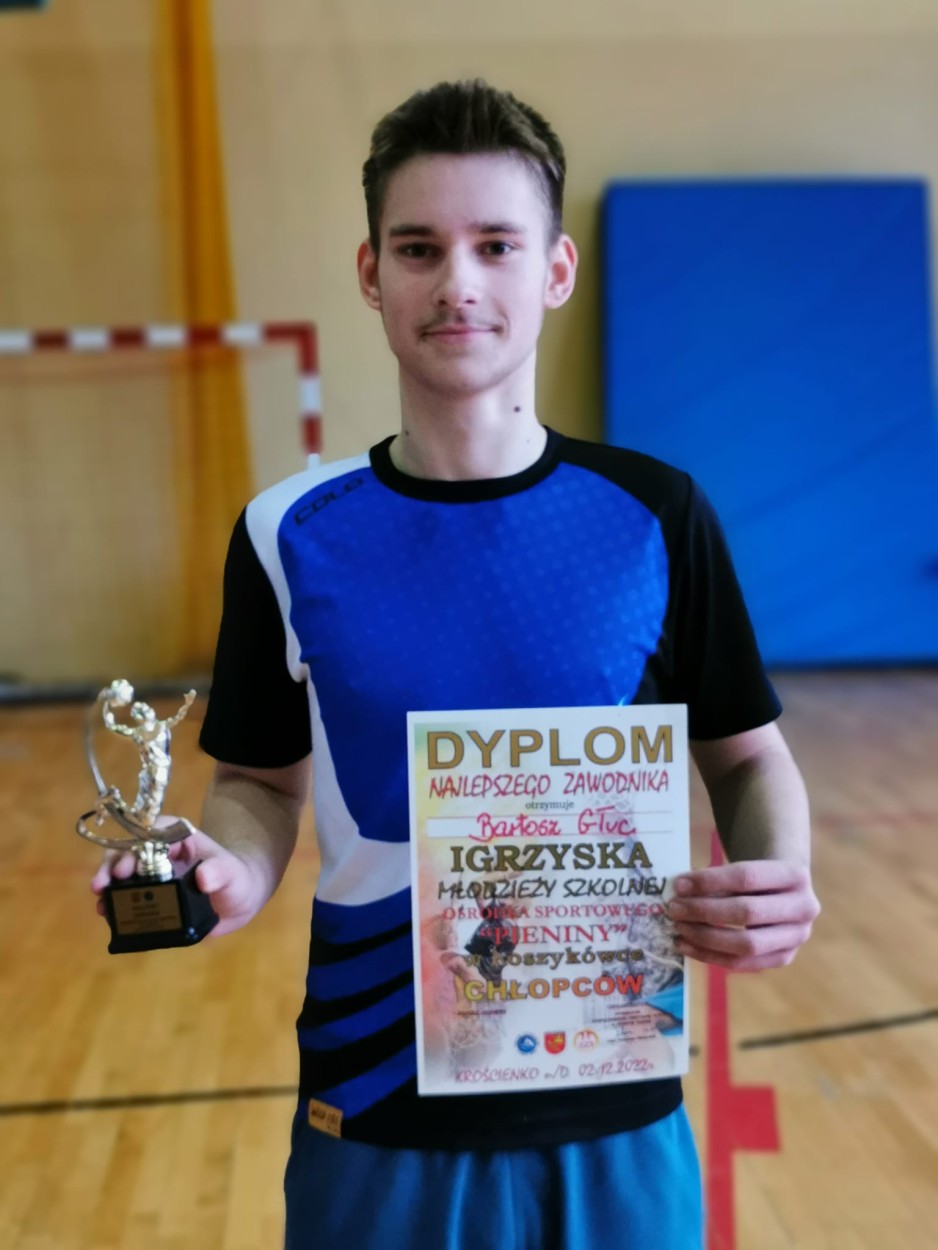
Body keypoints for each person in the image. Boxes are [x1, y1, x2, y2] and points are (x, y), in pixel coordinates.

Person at [92, 79, 820, 1249]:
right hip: (376, 1093)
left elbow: (745, 756)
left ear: (556, 270)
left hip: (615, 1098)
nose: (457, 283)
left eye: (495, 244)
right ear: (371, 271)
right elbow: (259, 783)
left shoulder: (654, 512)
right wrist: (227, 869)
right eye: (419, 248)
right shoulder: (285, 531)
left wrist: (777, 872)